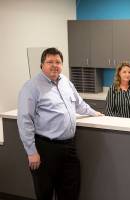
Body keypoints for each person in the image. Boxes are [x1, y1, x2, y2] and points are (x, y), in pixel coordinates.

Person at [17, 47, 103, 200]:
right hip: (45, 148)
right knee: (45, 191)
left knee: (70, 189)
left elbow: (79, 103)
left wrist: (93, 113)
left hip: (69, 147)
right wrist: (31, 152)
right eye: (50, 61)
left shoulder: (66, 82)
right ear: (41, 64)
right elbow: (24, 121)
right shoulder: (31, 86)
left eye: (58, 62)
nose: (54, 65)